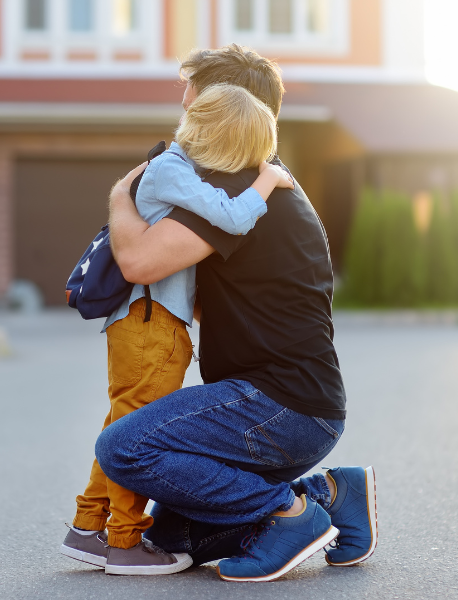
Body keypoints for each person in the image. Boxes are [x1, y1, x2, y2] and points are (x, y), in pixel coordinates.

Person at [93, 45, 379, 582]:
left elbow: (137, 260)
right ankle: (333, 494)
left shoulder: (234, 186)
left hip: (277, 407)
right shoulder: (259, 180)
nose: (183, 105)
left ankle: (289, 514)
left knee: (124, 448)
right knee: (173, 537)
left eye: (192, 94)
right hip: (293, 409)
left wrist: (121, 191)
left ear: (227, 104)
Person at [61, 83, 295, 576]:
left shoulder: (172, 169)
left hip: (149, 324)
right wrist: (268, 181)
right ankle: (123, 540)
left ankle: (87, 527)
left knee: (121, 425)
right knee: (134, 436)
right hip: (151, 325)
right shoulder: (172, 169)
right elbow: (232, 217)